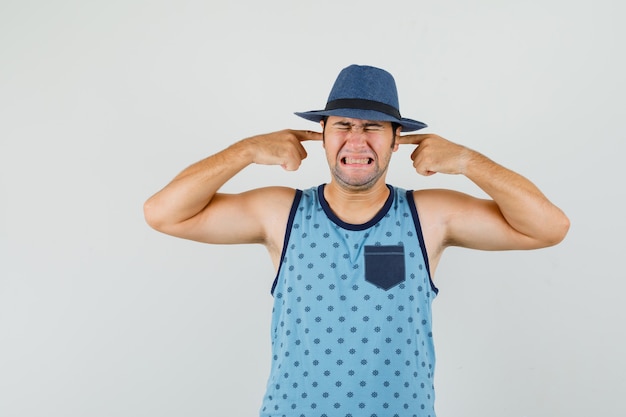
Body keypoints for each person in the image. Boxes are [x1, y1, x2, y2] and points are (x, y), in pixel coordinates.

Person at [144, 64, 569, 417]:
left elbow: (549, 227)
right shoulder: (281, 214)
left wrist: (466, 161)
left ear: (396, 139)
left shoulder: (429, 216)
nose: (357, 140)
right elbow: (163, 213)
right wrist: (246, 151)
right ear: (323, 134)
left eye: (374, 127)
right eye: (343, 125)